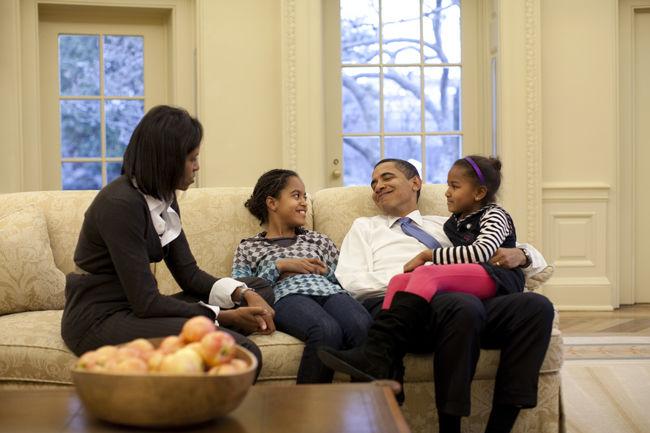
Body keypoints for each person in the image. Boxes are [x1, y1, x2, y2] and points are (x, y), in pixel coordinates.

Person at [319, 158, 554, 433]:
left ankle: (501, 426)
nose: (378, 186)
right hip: (405, 310)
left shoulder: (449, 224)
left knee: (536, 307)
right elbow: (352, 281)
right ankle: (449, 427)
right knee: (460, 303)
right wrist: (420, 278)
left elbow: (510, 253)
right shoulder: (365, 227)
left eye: (386, 178)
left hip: (467, 305)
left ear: (415, 183)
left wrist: (522, 254)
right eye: (373, 183)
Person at [61, 105, 274, 376]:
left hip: (137, 307)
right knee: (243, 351)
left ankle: (221, 320)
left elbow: (189, 275)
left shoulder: (164, 197)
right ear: (167, 161)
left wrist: (245, 294)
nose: (197, 167)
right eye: (192, 159)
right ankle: (220, 331)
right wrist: (219, 315)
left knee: (260, 289)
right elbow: (146, 302)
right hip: (101, 318)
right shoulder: (120, 204)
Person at [231, 169, 372, 384]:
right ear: (272, 203)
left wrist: (325, 272)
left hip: (331, 291)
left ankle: (368, 409)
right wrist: (280, 266)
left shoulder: (318, 240)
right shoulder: (249, 247)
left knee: (363, 325)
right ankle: (307, 412)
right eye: (296, 196)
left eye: (305, 196)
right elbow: (242, 290)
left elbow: (345, 277)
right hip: (287, 296)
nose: (304, 202)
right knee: (326, 330)